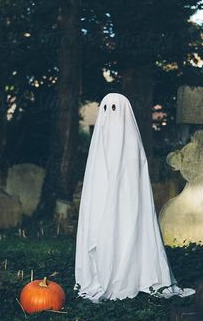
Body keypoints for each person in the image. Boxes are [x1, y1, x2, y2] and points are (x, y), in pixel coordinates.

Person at [75, 93, 194, 302]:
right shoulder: (98, 147)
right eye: (106, 109)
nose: (110, 115)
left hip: (128, 206)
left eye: (115, 109)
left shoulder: (132, 145)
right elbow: (95, 185)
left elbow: (135, 183)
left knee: (127, 231)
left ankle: (134, 272)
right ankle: (103, 271)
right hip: (102, 206)